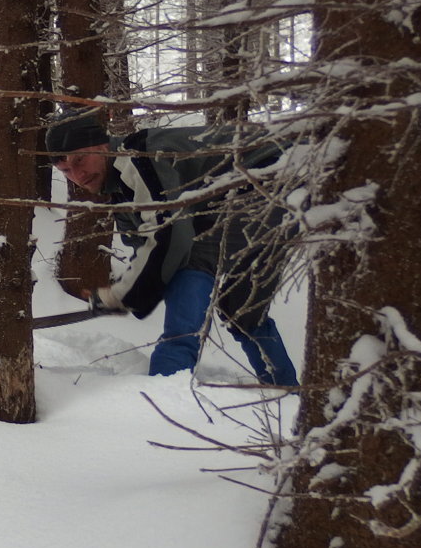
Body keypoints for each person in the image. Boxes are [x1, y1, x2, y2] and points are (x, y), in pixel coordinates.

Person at [46, 110, 298, 387]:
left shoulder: (138, 157)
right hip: (278, 188)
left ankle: (164, 389)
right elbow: (145, 246)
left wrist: (122, 295)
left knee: (192, 259)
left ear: (102, 145)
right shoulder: (120, 190)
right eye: (66, 171)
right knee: (242, 308)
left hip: (276, 174)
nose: (77, 175)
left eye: (80, 160)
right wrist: (128, 292)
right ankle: (285, 391)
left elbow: (169, 234)